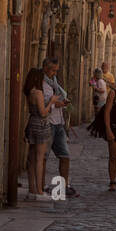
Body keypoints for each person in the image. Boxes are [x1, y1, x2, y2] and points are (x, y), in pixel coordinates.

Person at [41, 57, 79, 198]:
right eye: (52, 70)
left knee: (65, 155)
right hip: (48, 123)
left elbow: (56, 98)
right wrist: (56, 103)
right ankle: (41, 185)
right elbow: (43, 103)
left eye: (56, 71)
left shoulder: (54, 83)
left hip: (59, 123)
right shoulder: (41, 82)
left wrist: (62, 102)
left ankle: (64, 185)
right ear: (45, 68)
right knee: (43, 156)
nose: (55, 73)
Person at [22, 68, 53, 202]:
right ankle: (39, 191)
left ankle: (31, 189)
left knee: (31, 158)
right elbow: (43, 112)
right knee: (40, 158)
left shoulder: (29, 92)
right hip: (40, 124)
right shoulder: (38, 93)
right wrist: (51, 102)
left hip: (32, 123)